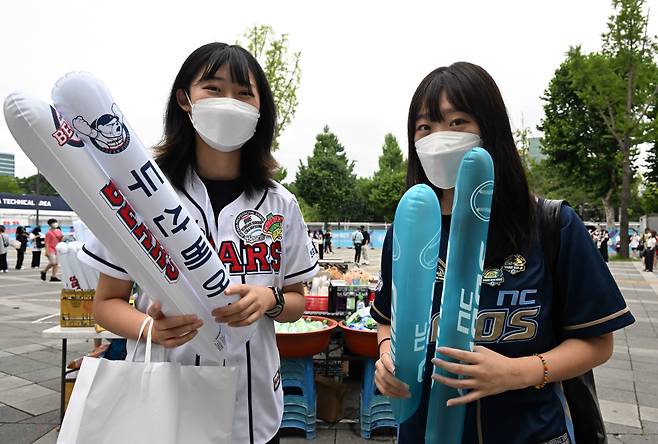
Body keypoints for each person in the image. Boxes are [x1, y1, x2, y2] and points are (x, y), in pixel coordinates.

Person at [371, 62, 635, 443]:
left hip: (530, 432)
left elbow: (597, 342)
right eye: (425, 128)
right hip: (422, 432)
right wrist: (386, 356)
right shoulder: (407, 232)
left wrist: (519, 372)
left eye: (457, 122)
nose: (439, 138)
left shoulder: (550, 225)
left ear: (490, 129)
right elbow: (387, 319)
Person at [78, 42, 318, 444]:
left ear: (260, 111)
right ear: (184, 99)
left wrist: (269, 300)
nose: (229, 102)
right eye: (213, 88)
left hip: (253, 407)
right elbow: (105, 303)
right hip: (164, 404)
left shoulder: (279, 203)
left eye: (244, 93)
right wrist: (150, 328)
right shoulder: (141, 192)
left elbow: (295, 301)